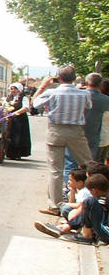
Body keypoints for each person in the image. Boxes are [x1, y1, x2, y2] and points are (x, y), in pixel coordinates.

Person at [32, 65, 93, 209]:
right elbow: (89, 106)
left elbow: (34, 103)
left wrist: (43, 86)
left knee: (55, 170)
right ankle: (95, 195)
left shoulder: (52, 93)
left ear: (58, 78)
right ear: (73, 79)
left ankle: (55, 204)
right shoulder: (83, 94)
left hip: (56, 131)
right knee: (88, 164)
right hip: (76, 131)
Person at [34, 168, 90, 237]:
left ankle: (63, 228)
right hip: (80, 213)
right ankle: (67, 227)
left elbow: (80, 205)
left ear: (80, 182)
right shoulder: (78, 190)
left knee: (66, 208)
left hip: (82, 213)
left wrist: (67, 204)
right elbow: (72, 202)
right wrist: (72, 190)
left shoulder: (84, 192)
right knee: (65, 207)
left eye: (71, 180)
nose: (69, 182)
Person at [57, 173, 109, 245]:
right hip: (102, 228)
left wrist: (70, 224)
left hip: (106, 232)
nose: (90, 193)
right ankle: (81, 230)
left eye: (90, 191)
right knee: (71, 209)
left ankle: (86, 236)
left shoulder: (105, 200)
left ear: (95, 190)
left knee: (89, 202)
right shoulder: (102, 197)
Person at [4, 81, 32, 160]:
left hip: (20, 119)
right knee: (10, 135)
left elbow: (26, 108)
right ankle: (10, 153)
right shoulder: (9, 98)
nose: (12, 90)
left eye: (15, 89)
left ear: (19, 90)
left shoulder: (23, 98)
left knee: (19, 136)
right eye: (12, 89)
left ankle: (18, 153)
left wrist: (15, 113)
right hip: (10, 119)